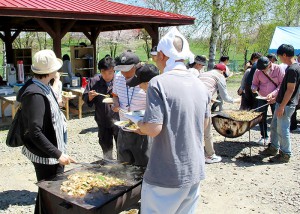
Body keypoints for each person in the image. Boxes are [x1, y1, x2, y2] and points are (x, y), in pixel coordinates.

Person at [126, 27, 210, 214]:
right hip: (194, 170)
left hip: (167, 173)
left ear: (163, 55)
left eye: (156, 56)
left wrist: (140, 125)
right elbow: (204, 125)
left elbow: (154, 128)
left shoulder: (158, 82)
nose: (156, 60)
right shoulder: (200, 84)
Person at [16, 50, 75, 214]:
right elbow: (35, 132)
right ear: (48, 72)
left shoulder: (43, 85)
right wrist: (58, 154)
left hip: (50, 152)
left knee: (47, 194)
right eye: (55, 68)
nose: (58, 71)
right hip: (46, 156)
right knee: (51, 194)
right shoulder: (35, 93)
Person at [261, 44, 300, 163]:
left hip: (287, 105)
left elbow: (290, 89)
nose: (279, 59)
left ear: (284, 55)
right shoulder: (292, 67)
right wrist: (276, 99)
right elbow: (284, 88)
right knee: (274, 126)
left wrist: (282, 105)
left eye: (280, 56)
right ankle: (273, 147)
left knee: (283, 129)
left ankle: (285, 153)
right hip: (281, 102)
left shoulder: (293, 69)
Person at [111, 51, 150, 167]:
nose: (124, 73)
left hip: (143, 132)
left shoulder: (146, 80)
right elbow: (115, 96)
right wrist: (115, 104)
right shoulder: (118, 77)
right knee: (124, 167)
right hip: (124, 129)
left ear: (137, 66)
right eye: (121, 69)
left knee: (143, 168)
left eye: (127, 70)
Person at [199, 63, 240, 163]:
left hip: (191, 100)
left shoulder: (203, 74)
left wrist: (210, 98)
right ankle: (210, 155)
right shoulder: (220, 76)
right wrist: (235, 100)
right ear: (223, 71)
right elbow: (225, 97)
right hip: (202, 102)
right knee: (207, 129)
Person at [82, 56, 119, 159]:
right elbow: (85, 97)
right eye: (103, 72)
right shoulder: (94, 81)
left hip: (119, 121)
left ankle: (123, 169)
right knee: (106, 149)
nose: (107, 76)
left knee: (122, 148)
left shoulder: (120, 80)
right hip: (103, 120)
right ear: (100, 71)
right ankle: (108, 167)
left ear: (114, 71)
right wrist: (89, 97)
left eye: (110, 73)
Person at [251, 56, 285, 145]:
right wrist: (254, 88)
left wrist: (273, 94)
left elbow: (282, 84)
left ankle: (275, 139)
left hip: (275, 97)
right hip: (262, 97)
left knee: (276, 117)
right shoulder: (258, 71)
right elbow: (254, 83)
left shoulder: (278, 69)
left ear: (269, 64)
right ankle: (264, 136)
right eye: (261, 69)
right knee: (261, 117)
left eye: (264, 69)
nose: (263, 71)